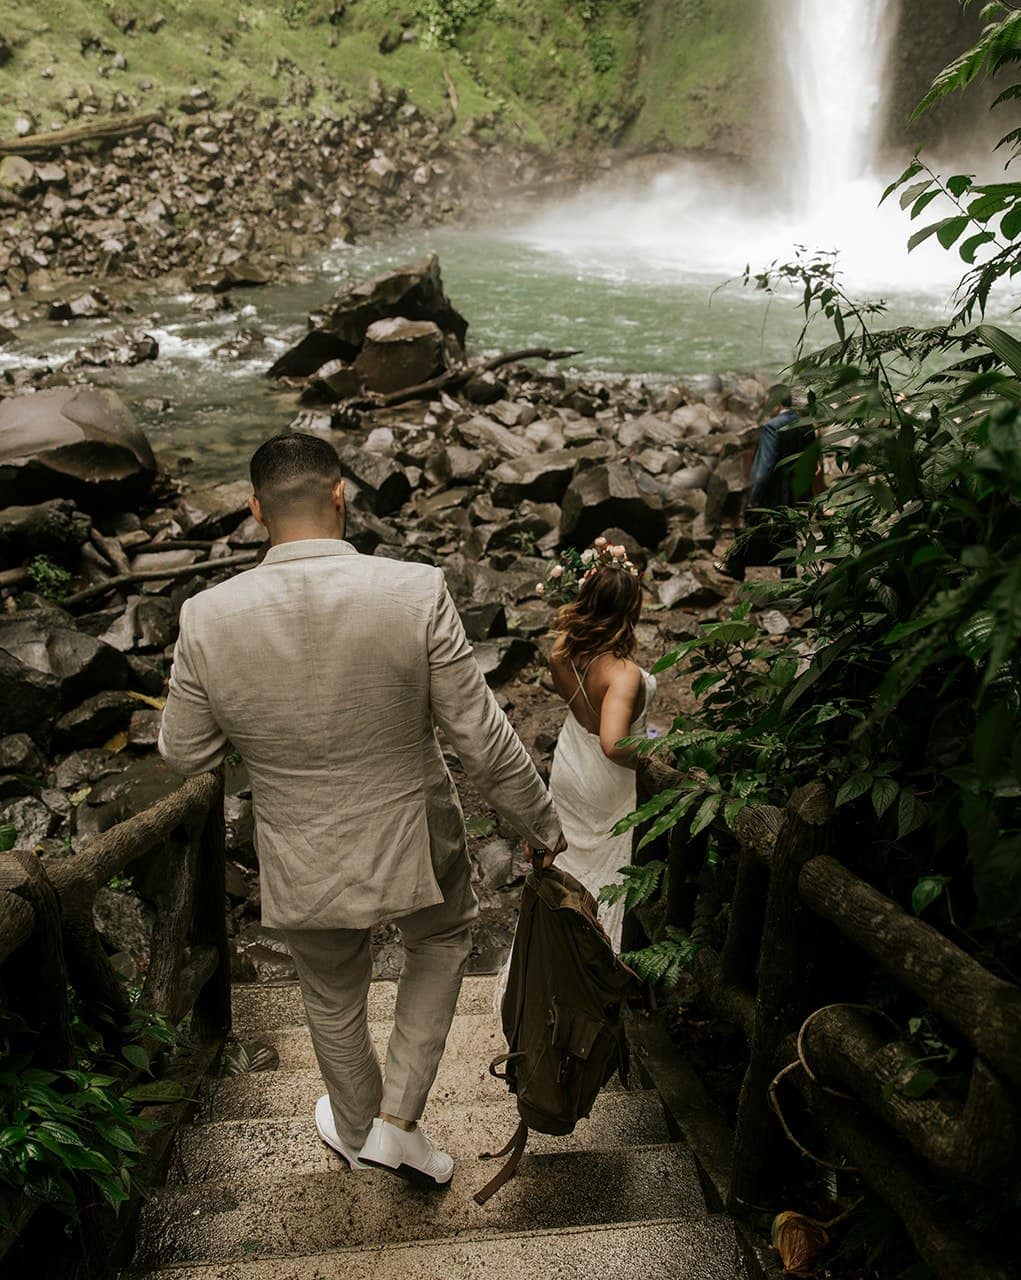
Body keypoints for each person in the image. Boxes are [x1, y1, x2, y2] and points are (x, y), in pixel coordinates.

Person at [158, 432, 565, 1187]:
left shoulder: (206, 617)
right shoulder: (412, 589)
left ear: (255, 511)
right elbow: (479, 736)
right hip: (414, 823)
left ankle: (355, 1129)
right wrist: (541, 825)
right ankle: (399, 1123)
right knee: (440, 940)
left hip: (298, 839)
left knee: (332, 991)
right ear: (341, 495)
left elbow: (185, 756)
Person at [546, 542, 657, 947]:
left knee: (569, 868)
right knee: (610, 874)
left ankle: (555, 957)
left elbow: (585, 717)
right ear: (631, 610)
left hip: (571, 765)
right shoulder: (623, 674)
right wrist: (660, 755)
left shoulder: (562, 652)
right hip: (608, 782)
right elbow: (612, 743)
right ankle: (599, 965)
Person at [717, 384, 817, 582]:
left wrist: (753, 496)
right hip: (797, 492)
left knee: (752, 531)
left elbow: (764, 467)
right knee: (786, 535)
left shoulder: (773, 427)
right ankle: (788, 578)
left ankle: (735, 566)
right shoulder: (805, 424)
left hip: (773, 493)